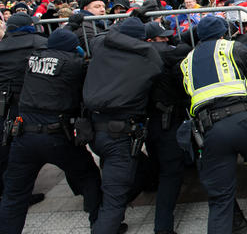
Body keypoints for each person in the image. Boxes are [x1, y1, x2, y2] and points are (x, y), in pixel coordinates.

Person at [179, 16, 247, 234]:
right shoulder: (231, 47)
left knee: (220, 197)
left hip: (211, 130)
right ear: (223, 33)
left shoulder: (187, 60)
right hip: (244, 120)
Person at [0, 29, 101, 234]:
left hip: (23, 136)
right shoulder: (75, 65)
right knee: (89, 176)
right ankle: (100, 224)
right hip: (56, 135)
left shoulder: (32, 59)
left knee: (14, 194)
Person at [83, 17, 163, 234]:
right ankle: (102, 224)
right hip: (120, 137)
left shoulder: (100, 47)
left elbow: (105, 35)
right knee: (114, 202)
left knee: (143, 171)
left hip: (96, 131)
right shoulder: (148, 57)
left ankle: (98, 216)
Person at [142, 22, 195, 234]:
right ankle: (163, 226)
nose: (166, 41)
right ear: (149, 42)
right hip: (167, 122)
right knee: (170, 173)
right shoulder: (167, 57)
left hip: (149, 121)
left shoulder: (135, 58)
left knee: (158, 163)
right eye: (161, 39)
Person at [0, 13, 48, 208]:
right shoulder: (40, 42)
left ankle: (9, 192)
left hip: (4, 102)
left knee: (6, 148)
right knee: (22, 150)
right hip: (27, 101)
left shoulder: (2, 46)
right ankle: (18, 194)